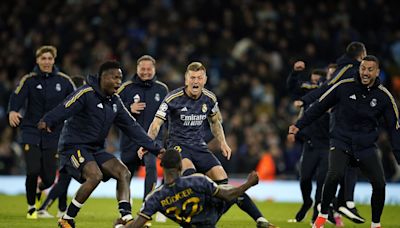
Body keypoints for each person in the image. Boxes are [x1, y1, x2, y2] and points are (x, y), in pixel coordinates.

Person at [140, 62, 273, 227]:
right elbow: (156, 124)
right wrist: (147, 143)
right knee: (191, 178)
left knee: (224, 183)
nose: (196, 81)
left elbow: (215, 122)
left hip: (200, 146)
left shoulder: (209, 98)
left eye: (199, 77)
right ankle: (190, 216)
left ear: (205, 80)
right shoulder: (172, 98)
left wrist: (223, 143)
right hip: (178, 146)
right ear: (186, 80)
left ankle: (258, 219)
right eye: (192, 77)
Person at [37, 60, 164, 228]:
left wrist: (156, 149)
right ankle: (67, 219)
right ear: (103, 78)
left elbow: (133, 128)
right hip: (73, 147)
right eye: (115, 78)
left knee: (123, 172)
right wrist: (48, 120)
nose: (119, 82)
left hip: (95, 149)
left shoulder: (115, 102)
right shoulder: (86, 93)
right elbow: (65, 106)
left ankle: (125, 218)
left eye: (120, 78)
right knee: (94, 176)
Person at [288, 55, 400, 228]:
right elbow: (319, 105)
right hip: (341, 141)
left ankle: (376, 224)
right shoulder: (344, 86)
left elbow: (394, 127)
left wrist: (398, 155)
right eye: (363, 68)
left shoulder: (384, 96)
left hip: (365, 147)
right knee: (333, 176)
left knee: (379, 183)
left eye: (370, 70)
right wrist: (299, 125)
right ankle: (322, 216)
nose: (365, 72)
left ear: (377, 72)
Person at [295, 42, 368, 224]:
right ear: (361, 55)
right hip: (331, 135)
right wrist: (303, 109)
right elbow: (324, 92)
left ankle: (334, 207)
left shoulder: (353, 73)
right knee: (336, 171)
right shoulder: (348, 70)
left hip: (334, 138)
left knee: (337, 171)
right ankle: (341, 203)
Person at [116, 148, 275, 228]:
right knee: (234, 192)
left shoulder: (154, 197)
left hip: (190, 225)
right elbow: (228, 196)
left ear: (161, 166)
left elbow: (137, 225)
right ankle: (261, 219)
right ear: (180, 166)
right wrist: (248, 184)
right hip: (211, 217)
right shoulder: (197, 180)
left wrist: (122, 226)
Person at [7, 45, 76, 219]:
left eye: (49, 58)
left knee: (49, 178)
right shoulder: (28, 80)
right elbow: (16, 96)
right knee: (32, 170)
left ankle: (38, 190)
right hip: (31, 131)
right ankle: (31, 207)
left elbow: (76, 100)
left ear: (54, 60)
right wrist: (13, 111)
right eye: (43, 58)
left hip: (54, 133)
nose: (46, 62)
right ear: (37, 60)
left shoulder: (65, 81)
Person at [286, 62, 341, 225]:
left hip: (327, 144)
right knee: (304, 179)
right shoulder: (310, 91)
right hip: (310, 143)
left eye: (318, 80)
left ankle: (316, 215)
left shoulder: (335, 91)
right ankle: (307, 202)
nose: (314, 83)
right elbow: (292, 87)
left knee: (321, 182)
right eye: (313, 80)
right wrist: (295, 73)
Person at [117, 55, 168, 208]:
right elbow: (112, 109)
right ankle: (124, 205)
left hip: (152, 140)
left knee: (151, 167)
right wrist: (128, 108)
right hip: (129, 140)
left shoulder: (162, 89)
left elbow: (168, 114)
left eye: (149, 69)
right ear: (137, 69)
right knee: (125, 174)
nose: (146, 72)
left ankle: (148, 204)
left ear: (154, 69)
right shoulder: (125, 88)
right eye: (143, 69)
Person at [36, 75, 86, 218]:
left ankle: (61, 209)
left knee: (65, 177)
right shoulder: (73, 104)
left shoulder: (68, 103)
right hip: (64, 145)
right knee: (64, 179)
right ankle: (43, 208)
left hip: (62, 144)